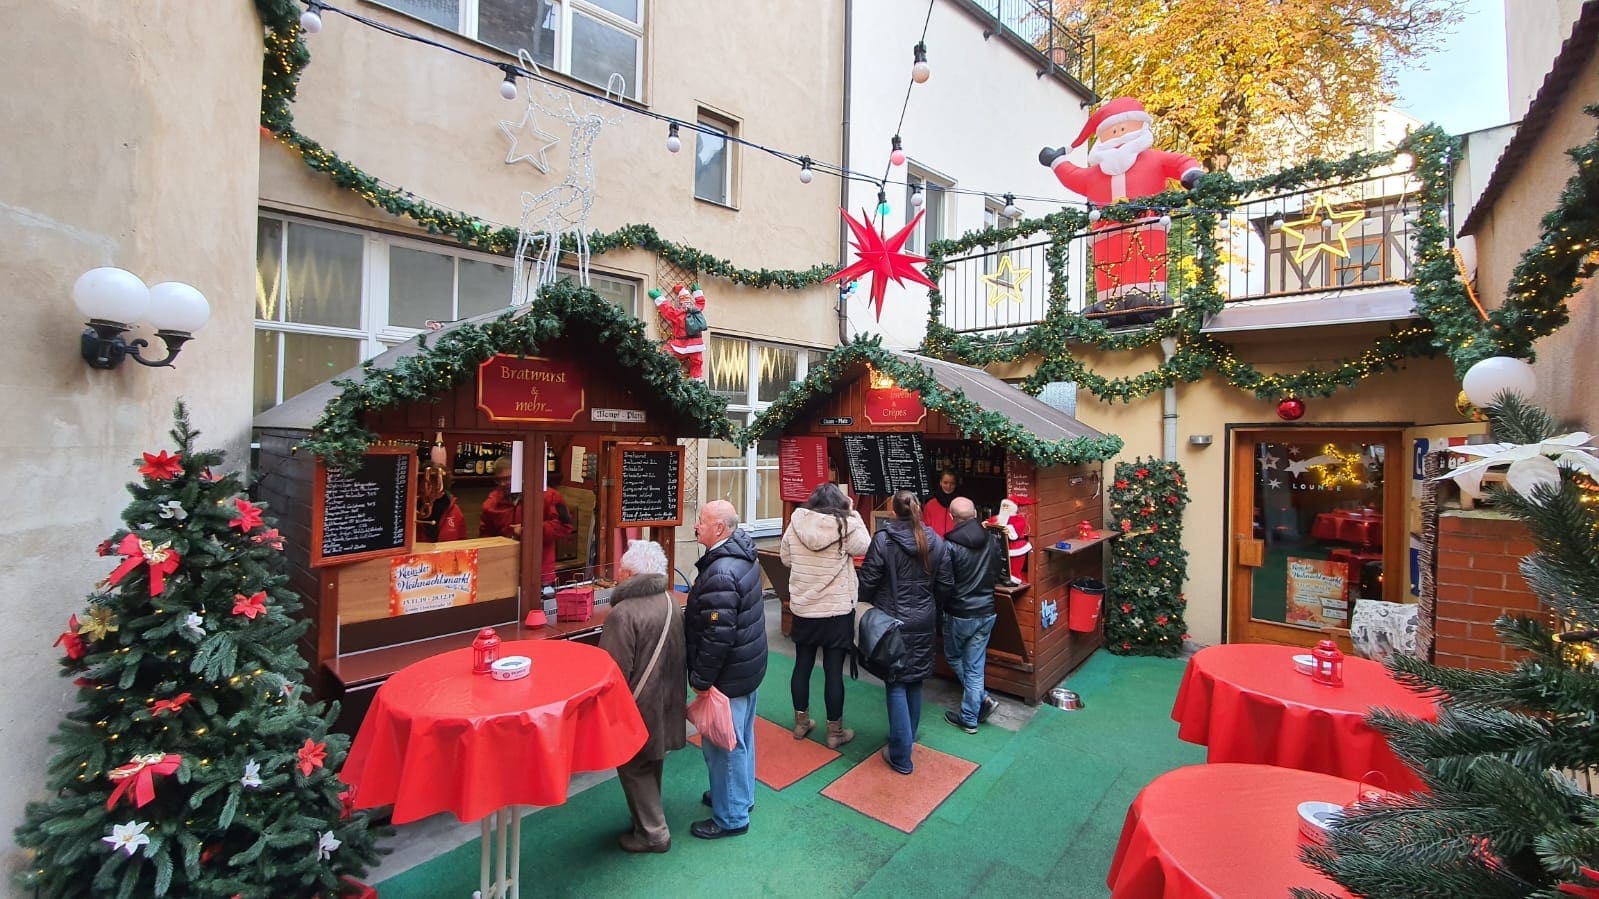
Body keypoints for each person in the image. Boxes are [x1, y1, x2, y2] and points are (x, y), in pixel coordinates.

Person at [1038, 97, 1204, 320]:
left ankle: (1149, 302)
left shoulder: (1153, 159)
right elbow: (1074, 176)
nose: (1117, 135)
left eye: (1123, 129)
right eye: (1112, 131)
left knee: (1146, 264)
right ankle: (1110, 306)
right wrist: (1057, 162)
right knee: (1110, 270)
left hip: (1146, 226)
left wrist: (1191, 174)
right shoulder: (1095, 174)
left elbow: (1179, 162)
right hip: (1106, 234)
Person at [684, 499, 766, 839]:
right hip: (747, 667)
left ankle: (731, 817)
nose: (696, 526)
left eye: (701, 521)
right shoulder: (742, 555)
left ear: (720, 528)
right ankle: (738, 798)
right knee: (741, 737)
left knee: (723, 744)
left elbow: (718, 635)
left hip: (728, 674)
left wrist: (701, 678)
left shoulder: (720, 570)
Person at [598, 540, 686, 853]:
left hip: (638, 704)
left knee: (634, 765)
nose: (617, 573)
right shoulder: (671, 600)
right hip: (668, 698)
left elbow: (613, 670)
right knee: (652, 759)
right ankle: (648, 818)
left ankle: (653, 832)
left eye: (621, 568)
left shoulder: (622, 614)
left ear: (632, 573)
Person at [857, 490, 953, 775]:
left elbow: (869, 581)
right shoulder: (936, 540)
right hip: (924, 619)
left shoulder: (884, 540)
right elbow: (946, 583)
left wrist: (867, 602)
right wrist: (931, 603)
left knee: (896, 682)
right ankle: (906, 738)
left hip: (891, 619)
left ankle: (900, 754)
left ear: (892, 510)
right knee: (915, 680)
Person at [780, 483, 870, 748]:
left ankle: (801, 722)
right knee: (833, 672)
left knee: (802, 665)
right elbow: (865, 546)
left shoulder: (796, 521)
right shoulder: (845, 525)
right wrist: (854, 514)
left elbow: (786, 558)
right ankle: (835, 732)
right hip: (836, 610)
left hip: (804, 608)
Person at [941, 498, 1008, 734]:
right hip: (986, 611)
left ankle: (978, 706)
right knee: (975, 667)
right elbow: (999, 571)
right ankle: (975, 708)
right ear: (975, 514)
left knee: (954, 657)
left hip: (959, 613)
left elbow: (945, 582)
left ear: (952, 517)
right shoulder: (992, 539)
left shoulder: (949, 545)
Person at [480, 457, 573, 587]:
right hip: (505, 572)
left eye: (508, 478)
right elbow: (486, 538)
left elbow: (564, 526)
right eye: (499, 480)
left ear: (521, 475)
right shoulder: (491, 504)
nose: (503, 483)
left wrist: (528, 530)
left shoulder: (548, 496)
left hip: (541, 573)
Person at [652, 282, 708, 380]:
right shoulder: (697, 310)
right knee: (697, 363)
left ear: (679, 303)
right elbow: (701, 303)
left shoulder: (677, 314)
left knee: (667, 353)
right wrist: (697, 291)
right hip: (697, 345)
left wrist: (658, 297)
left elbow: (667, 309)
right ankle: (697, 380)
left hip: (682, 345)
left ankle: (670, 376)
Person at [415, 462, 465, 542]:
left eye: (435, 487)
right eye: (427, 485)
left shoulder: (455, 512)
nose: (429, 491)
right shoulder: (411, 511)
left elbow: (462, 541)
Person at [922, 470, 960, 538]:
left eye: (952, 483)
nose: (948, 486)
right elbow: (925, 527)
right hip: (935, 545)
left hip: (955, 545)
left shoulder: (961, 504)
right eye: (945, 483)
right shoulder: (930, 505)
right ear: (940, 482)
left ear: (955, 484)